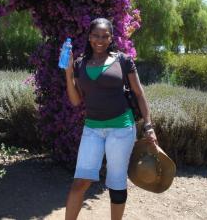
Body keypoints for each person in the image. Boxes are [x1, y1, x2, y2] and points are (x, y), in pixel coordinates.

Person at [64, 18, 158, 220]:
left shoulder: (123, 61)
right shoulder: (80, 64)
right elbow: (75, 100)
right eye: (96, 35)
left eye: (105, 36)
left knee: (116, 182)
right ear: (89, 37)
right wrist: (68, 72)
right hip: (92, 130)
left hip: (121, 129)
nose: (100, 40)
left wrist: (148, 126)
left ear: (111, 38)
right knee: (80, 182)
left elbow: (139, 94)